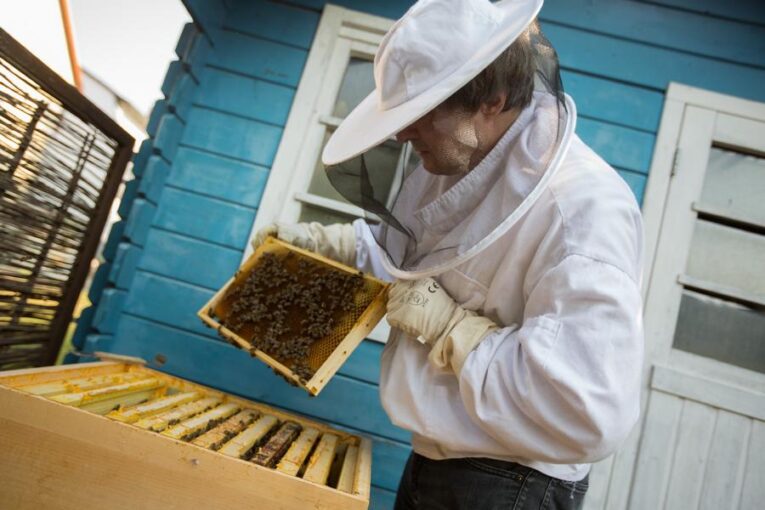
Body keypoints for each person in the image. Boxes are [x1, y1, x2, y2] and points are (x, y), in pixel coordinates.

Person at [251, 0, 644, 508]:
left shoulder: (583, 209)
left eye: (421, 112)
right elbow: (411, 266)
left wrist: (453, 328)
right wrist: (333, 246)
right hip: (434, 458)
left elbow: (585, 411)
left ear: (491, 100)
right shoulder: (458, 164)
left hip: (513, 482)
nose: (401, 132)